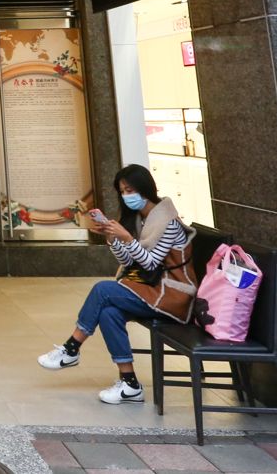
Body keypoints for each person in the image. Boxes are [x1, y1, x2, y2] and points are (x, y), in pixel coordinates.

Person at [36, 164, 196, 405]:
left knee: (102, 290)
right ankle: (130, 383)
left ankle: (71, 348)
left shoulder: (168, 223)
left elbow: (150, 264)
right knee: (109, 313)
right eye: (122, 191)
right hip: (151, 288)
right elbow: (130, 262)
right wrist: (113, 239)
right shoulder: (143, 219)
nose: (126, 196)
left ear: (145, 188)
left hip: (172, 295)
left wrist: (128, 239)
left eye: (130, 190)